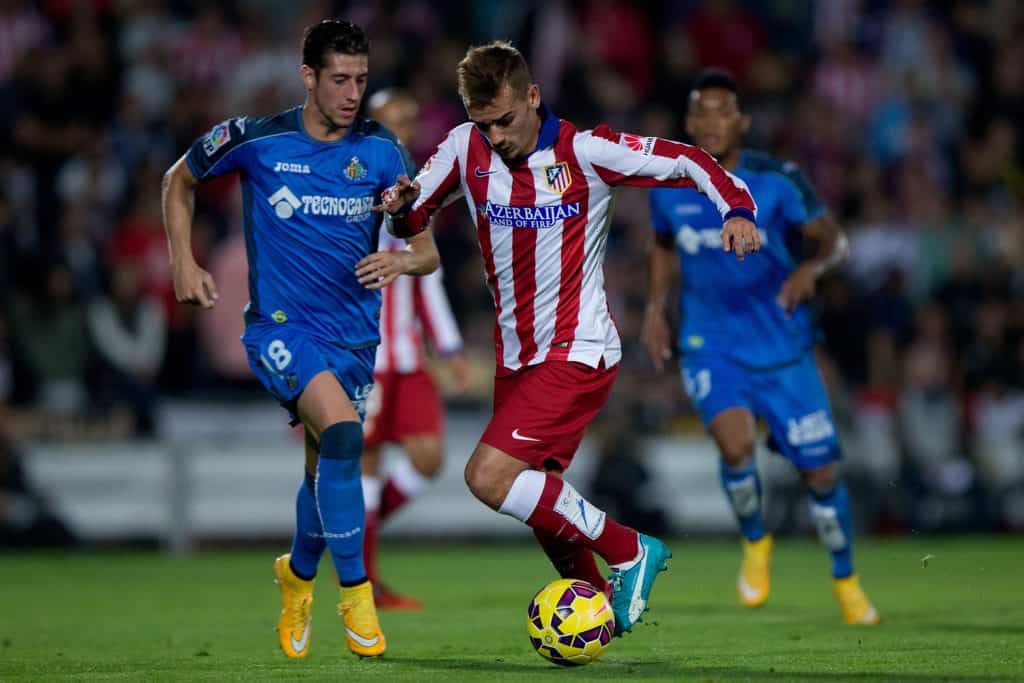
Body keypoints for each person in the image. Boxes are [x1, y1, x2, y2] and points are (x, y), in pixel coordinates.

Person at [377, 41, 760, 637]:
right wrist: (400, 207)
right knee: (542, 511)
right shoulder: (463, 147)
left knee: (487, 477)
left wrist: (737, 208)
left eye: (505, 120)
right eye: (484, 123)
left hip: (578, 351)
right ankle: (595, 611)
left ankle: (632, 550)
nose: (497, 136)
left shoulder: (585, 151)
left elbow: (685, 159)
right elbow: (412, 214)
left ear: (533, 96)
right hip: (516, 360)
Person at [161, 20, 441, 659]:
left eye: (360, 80)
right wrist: (184, 260)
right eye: (339, 79)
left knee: (324, 469)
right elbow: (178, 180)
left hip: (353, 339)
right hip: (280, 331)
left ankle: (297, 574)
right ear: (308, 77)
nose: (351, 93)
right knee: (345, 435)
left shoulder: (383, 150)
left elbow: (423, 249)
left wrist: (401, 258)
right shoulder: (258, 139)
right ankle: (357, 595)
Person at [643, 68, 879, 624]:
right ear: (688, 122)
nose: (711, 122)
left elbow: (835, 240)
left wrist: (812, 270)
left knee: (821, 475)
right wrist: (656, 309)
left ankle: (845, 579)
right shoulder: (670, 187)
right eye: (702, 112)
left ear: (743, 120)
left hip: (783, 347)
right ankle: (756, 540)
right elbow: (661, 246)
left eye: (723, 111)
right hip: (710, 344)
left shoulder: (778, 180)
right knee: (734, 447)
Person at [360, 88, 471, 610]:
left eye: (408, 117)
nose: (402, 127)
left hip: (408, 358)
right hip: (364, 357)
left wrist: (449, 348)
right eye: (392, 118)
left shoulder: (419, 187)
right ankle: (364, 581)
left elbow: (428, 276)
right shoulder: (354, 184)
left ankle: (351, 529)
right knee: (366, 462)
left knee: (428, 458)